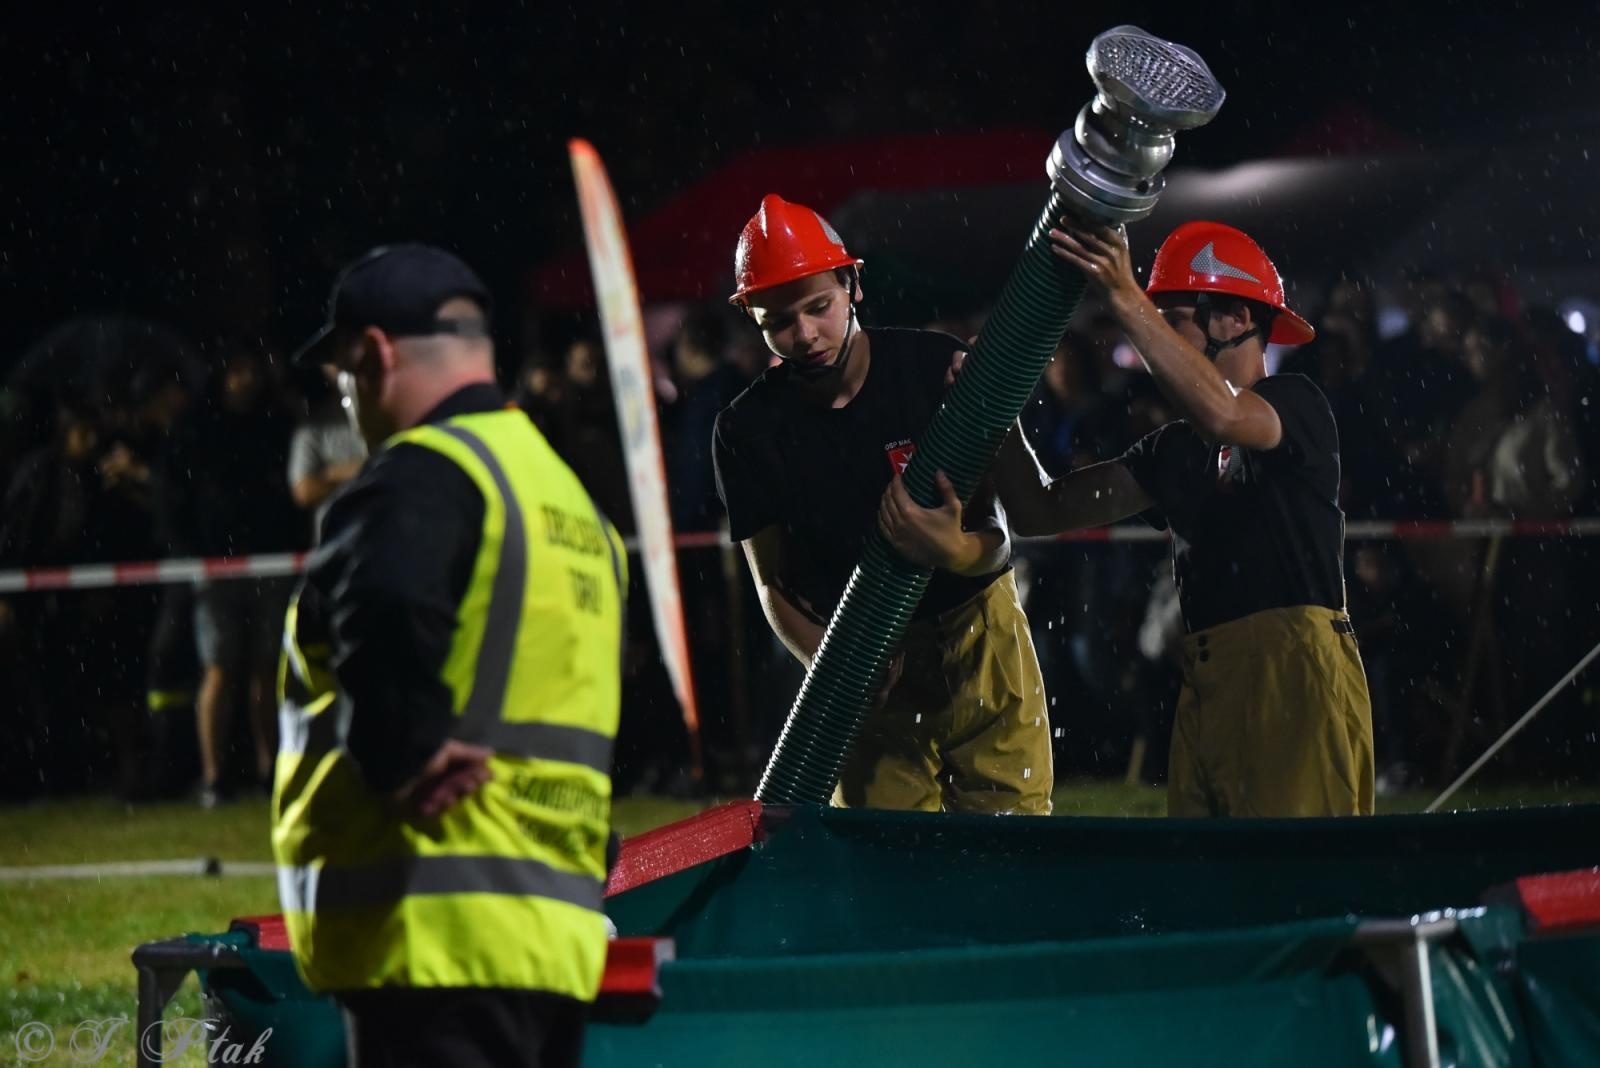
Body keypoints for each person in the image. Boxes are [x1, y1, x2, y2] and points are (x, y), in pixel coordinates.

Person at [273, 244, 627, 1068]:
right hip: (556, 940)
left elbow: (387, 604)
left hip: (432, 933)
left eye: (344, 376)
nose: (347, 398)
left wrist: (406, 748)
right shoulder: (569, 504)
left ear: (373, 353)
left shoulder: (417, 480)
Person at [991, 218, 1374, 818]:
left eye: (1171, 321)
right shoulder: (1175, 448)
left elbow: (1225, 413)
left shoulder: (1298, 403)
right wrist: (994, 406)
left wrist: (1123, 293)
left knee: (1294, 885)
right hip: (1209, 678)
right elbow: (1039, 509)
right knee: (1211, 890)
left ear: (1236, 319)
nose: (1151, 343)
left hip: (1294, 676)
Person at [712, 194, 1053, 815]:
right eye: (777, 321)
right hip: (865, 653)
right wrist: (831, 662)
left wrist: (951, 549)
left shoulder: (930, 370)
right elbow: (773, 585)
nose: (805, 335)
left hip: (977, 632)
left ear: (853, 285)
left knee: (1010, 854)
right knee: (885, 869)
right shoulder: (747, 431)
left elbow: (998, 538)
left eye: (819, 307)